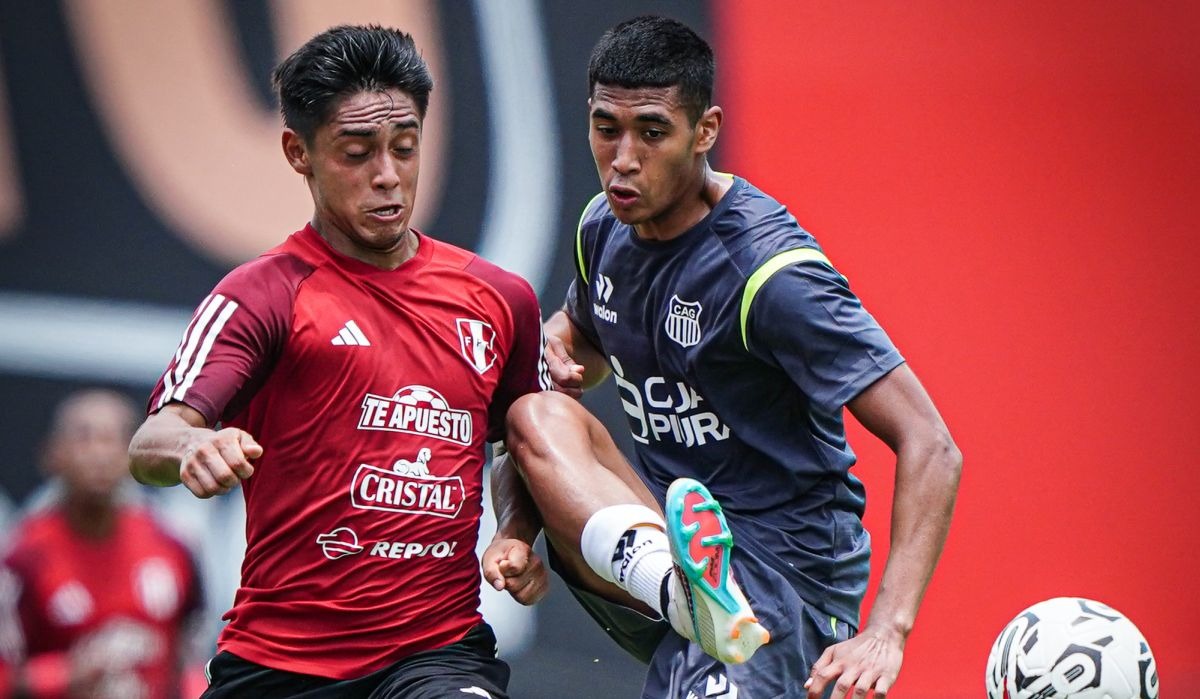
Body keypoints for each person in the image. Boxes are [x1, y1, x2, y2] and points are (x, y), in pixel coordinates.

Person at [492, 15, 963, 699]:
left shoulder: (772, 275)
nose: (623, 158)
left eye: (652, 132)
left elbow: (932, 444)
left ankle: (700, 598)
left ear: (705, 131)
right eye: (606, 128)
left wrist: (887, 628)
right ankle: (683, 593)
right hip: (663, 552)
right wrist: (557, 346)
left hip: (782, 576)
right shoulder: (603, 229)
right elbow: (583, 349)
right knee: (536, 413)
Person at [127, 25, 552, 699]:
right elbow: (151, 441)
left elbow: (524, 444)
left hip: (435, 657)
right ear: (298, 152)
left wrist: (516, 531)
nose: (388, 175)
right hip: (279, 665)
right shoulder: (262, 294)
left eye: (405, 147)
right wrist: (192, 447)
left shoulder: (500, 298)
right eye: (357, 152)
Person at [0, 389, 203, 699]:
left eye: (114, 440)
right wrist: (62, 675)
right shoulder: (24, 558)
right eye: (84, 439)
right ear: (52, 454)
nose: (100, 454)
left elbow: (191, 663)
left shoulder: (171, 546)